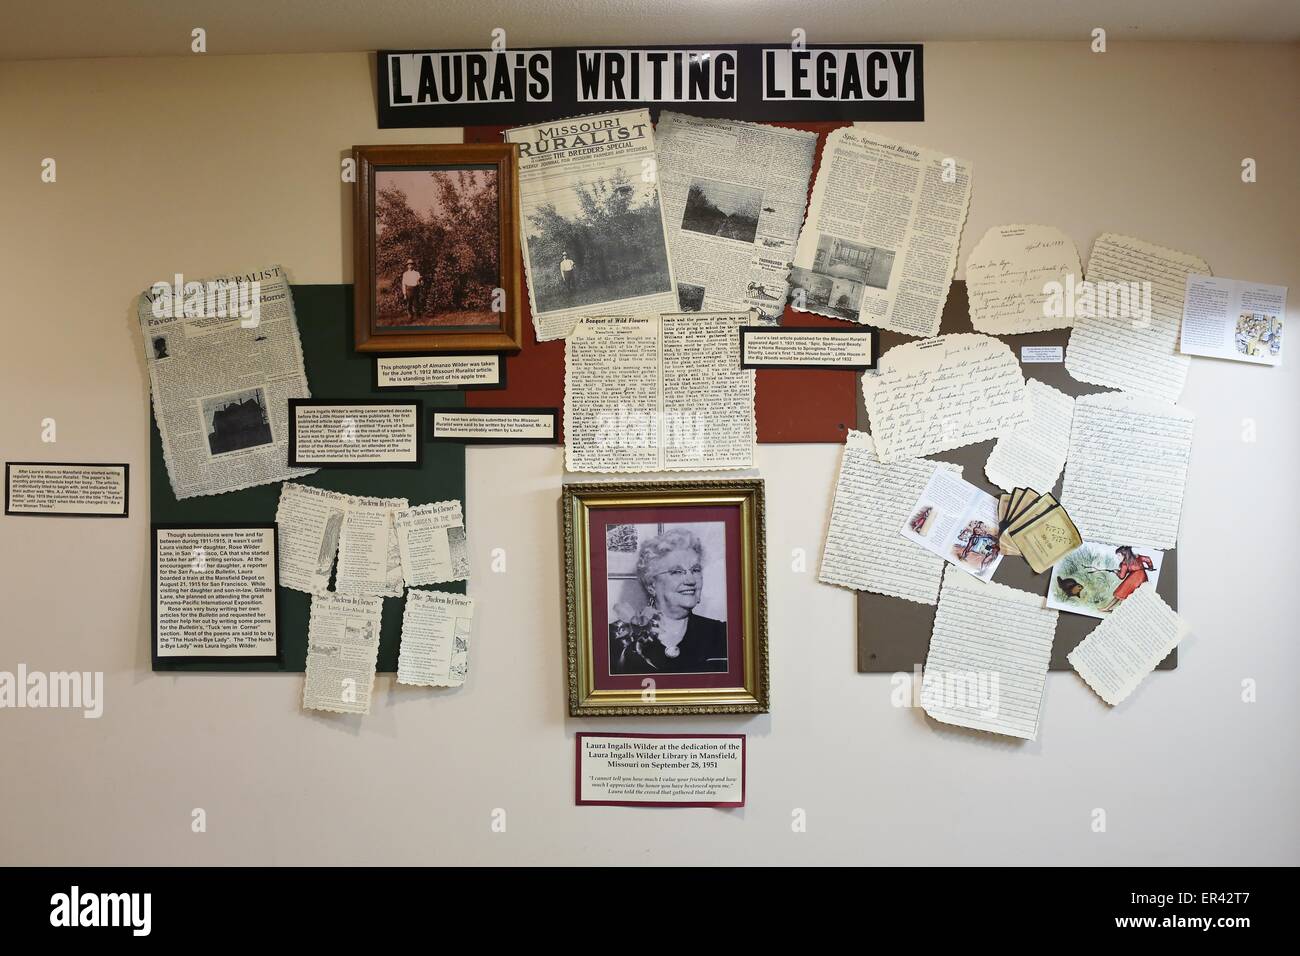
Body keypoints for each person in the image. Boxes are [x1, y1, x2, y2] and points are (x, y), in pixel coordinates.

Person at [609, 528, 727, 674]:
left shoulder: (721, 634)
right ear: (651, 585)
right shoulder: (617, 637)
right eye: (676, 572)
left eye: (695, 570)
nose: (691, 580)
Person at [1098, 545, 1157, 611]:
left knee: (1120, 593)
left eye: (1119, 555)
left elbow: (1122, 576)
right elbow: (1148, 559)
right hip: (1143, 578)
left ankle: (1107, 608)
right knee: (1129, 595)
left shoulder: (1125, 563)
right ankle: (1117, 609)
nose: (1118, 557)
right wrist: (1150, 567)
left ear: (1124, 555)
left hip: (1133, 579)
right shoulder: (1137, 557)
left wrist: (1116, 572)